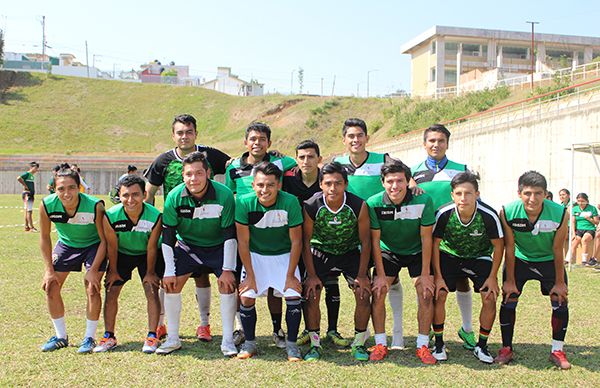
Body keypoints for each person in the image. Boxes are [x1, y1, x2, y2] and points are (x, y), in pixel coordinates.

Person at [144, 114, 230, 342]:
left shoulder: (209, 155)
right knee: (169, 275)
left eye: (189, 132)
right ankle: (162, 324)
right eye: (180, 132)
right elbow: (149, 193)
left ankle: (205, 324)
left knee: (203, 277)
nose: (184, 136)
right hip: (178, 229)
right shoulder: (163, 161)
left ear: (196, 134)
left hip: (209, 225)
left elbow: (234, 165)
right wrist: (149, 225)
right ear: (173, 135)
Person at [333, 118, 417, 349]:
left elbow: (402, 175)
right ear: (344, 140)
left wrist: (412, 184)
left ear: (367, 138)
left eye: (360, 135)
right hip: (353, 234)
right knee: (364, 286)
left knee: (389, 280)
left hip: (382, 231)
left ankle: (397, 334)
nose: (355, 140)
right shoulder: (338, 163)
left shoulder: (384, 159)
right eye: (351, 136)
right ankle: (364, 332)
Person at [155, 152, 238, 357]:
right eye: (189, 174)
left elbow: (230, 235)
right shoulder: (174, 197)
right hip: (188, 247)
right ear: (183, 176)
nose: (194, 179)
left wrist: (227, 269)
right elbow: (168, 238)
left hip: (219, 246)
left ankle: (228, 340)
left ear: (208, 173)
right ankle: (173, 339)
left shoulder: (224, 194)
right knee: (171, 284)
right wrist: (169, 270)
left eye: (199, 173)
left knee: (227, 284)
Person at [225, 122, 297, 348]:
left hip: (274, 223)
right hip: (246, 223)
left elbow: (296, 162)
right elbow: (230, 194)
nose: (257, 143)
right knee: (243, 282)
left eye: (262, 139)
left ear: (269, 143)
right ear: (246, 142)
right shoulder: (233, 167)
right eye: (253, 139)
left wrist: (280, 155)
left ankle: (277, 329)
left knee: (276, 287)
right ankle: (241, 328)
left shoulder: (281, 162)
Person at [496, 171, 570, 369]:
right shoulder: (507, 211)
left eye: (538, 193)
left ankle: (557, 350)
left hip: (548, 261)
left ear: (546, 194)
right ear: (519, 193)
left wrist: (560, 282)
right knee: (508, 300)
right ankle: (506, 348)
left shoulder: (561, 212)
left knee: (560, 301)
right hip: (520, 260)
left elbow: (557, 249)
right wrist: (509, 280)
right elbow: (509, 247)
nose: (533, 198)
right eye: (527, 193)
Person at [412, 124, 476, 351]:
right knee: (428, 283)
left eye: (441, 141)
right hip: (426, 236)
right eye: (431, 141)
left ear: (447, 143)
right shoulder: (413, 172)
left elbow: (473, 197)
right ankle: (428, 328)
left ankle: (467, 329)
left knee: (462, 280)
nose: (436, 145)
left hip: (455, 236)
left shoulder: (461, 169)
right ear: (424, 144)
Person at [367, 159, 437, 364]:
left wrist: (425, 274)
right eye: (390, 181)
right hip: (389, 252)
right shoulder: (373, 203)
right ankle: (380, 343)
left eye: (399, 181)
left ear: (408, 182)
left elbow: (426, 238)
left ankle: (423, 345)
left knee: (425, 293)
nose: (394, 186)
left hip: (416, 251)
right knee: (378, 291)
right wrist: (379, 275)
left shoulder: (424, 200)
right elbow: (375, 240)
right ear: (382, 182)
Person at [431, 172, 504, 364]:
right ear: (452, 195)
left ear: (477, 194)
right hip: (450, 255)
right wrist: (437, 277)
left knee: (489, 296)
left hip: (478, 257)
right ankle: (438, 344)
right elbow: (435, 243)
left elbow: (499, 246)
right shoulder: (443, 213)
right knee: (440, 293)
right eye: (459, 193)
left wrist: (493, 277)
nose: (463, 198)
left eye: (468, 193)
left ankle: (482, 345)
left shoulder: (488, 215)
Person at [302, 162, 372, 362]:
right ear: (321, 185)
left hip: (349, 252)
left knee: (363, 293)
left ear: (346, 184)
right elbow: (306, 242)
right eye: (328, 183)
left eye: (338, 183)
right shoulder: (311, 205)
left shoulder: (358, 205)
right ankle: (315, 344)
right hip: (321, 251)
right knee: (311, 293)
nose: (333, 188)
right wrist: (312, 275)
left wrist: (361, 274)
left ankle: (358, 343)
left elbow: (365, 242)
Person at [283, 140, 350, 347]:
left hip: (323, 241)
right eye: (301, 157)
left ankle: (332, 330)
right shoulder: (287, 180)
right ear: (296, 160)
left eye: (311, 156)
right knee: (306, 285)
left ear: (319, 159)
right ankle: (308, 329)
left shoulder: (328, 179)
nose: (306, 161)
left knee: (331, 282)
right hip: (296, 240)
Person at [235, 162, 303, 361]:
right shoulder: (244, 202)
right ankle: (250, 344)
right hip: (255, 256)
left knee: (292, 295)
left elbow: (296, 241)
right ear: (253, 184)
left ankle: (291, 346)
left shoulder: (290, 202)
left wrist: (290, 275)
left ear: (279, 185)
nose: (265, 190)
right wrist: (250, 274)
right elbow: (244, 241)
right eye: (260, 185)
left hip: (284, 256)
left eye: (270, 185)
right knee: (246, 296)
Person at [38, 167, 107, 353]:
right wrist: (48, 270)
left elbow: (105, 240)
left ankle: (89, 338)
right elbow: (44, 237)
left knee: (92, 287)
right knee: (51, 286)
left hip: (94, 245)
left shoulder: (95, 206)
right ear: (54, 189)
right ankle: (61, 337)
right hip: (67, 245)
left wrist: (93, 271)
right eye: (61, 189)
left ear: (79, 188)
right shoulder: (46, 205)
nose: (66, 193)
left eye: (71, 188)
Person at [93, 175, 163, 354]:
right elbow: (112, 245)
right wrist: (114, 271)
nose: (130, 200)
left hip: (147, 254)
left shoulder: (155, 216)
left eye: (135, 194)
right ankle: (109, 336)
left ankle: (152, 335)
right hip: (122, 253)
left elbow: (152, 247)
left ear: (144, 194)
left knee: (151, 288)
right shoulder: (111, 215)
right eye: (125, 195)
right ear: (119, 196)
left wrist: (149, 273)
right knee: (112, 289)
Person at [570, 193, 599, 265]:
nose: (580, 203)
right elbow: (573, 222)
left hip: (590, 229)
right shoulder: (575, 209)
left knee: (584, 240)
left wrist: (589, 219)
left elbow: (597, 222)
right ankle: (569, 261)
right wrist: (573, 233)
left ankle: (584, 261)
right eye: (579, 201)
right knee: (574, 242)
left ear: (587, 201)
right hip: (579, 229)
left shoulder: (592, 208)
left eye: (582, 201)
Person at [17, 161, 40, 232]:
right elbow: (19, 178)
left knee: (27, 210)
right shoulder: (27, 174)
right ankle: (32, 227)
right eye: (35, 168)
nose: (36, 170)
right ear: (31, 167)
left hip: (30, 194)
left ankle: (26, 226)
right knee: (29, 211)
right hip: (27, 194)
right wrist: (25, 186)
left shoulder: (31, 176)